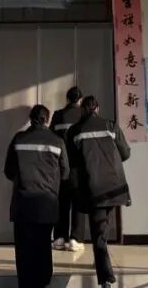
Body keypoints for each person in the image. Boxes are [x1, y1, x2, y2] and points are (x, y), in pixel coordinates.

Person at [65, 96, 131, 288]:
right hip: (115, 186)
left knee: (99, 233)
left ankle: (105, 278)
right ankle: (102, 260)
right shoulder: (111, 126)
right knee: (101, 229)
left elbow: (72, 162)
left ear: (83, 110)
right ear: (97, 109)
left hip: (93, 187)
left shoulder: (75, 130)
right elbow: (125, 153)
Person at [4, 104, 69, 288]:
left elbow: (8, 171)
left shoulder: (19, 139)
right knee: (43, 245)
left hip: (22, 203)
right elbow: (65, 173)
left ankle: (26, 283)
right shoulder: (57, 141)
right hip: (47, 203)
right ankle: (43, 281)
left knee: (24, 248)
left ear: (31, 118)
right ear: (46, 119)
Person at [50, 86, 85, 252]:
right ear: (80, 100)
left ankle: (59, 237)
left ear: (67, 99)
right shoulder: (84, 115)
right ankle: (75, 239)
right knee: (78, 203)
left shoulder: (58, 115)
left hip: (61, 167)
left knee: (62, 203)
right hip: (79, 167)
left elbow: (51, 138)